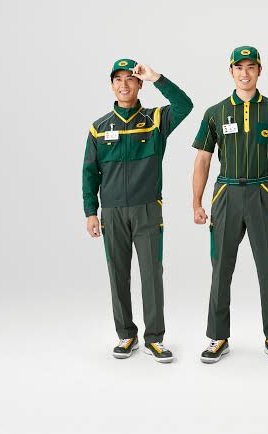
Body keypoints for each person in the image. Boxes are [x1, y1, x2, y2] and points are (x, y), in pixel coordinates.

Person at [191, 46, 268, 364]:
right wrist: (196, 202)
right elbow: (202, 160)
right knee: (220, 267)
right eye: (239, 67)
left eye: (251, 67)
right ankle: (217, 337)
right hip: (226, 192)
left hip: (262, 191)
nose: (245, 73)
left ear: (259, 71)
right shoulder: (215, 112)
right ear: (231, 71)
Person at [82, 58, 193, 363]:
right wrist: (91, 211)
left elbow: (185, 105)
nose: (124, 84)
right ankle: (126, 334)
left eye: (130, 79)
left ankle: (154, 338)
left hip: (147, 210)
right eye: (118, 79)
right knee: (118, 273)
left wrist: (158, 78)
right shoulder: (99, 128)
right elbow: (89, 173)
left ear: (139, 84)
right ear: (111, 85)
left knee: (151, 274)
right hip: (112, 212)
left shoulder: (155, 120)